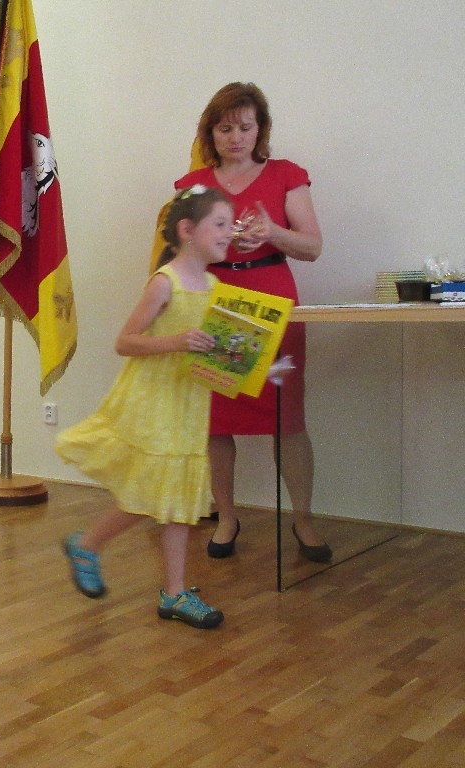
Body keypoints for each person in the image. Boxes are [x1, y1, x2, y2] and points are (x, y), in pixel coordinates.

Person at [58, 186, 234, 629]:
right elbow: (126, 342)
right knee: (152, 491)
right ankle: (88, 544)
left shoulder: (215, 287)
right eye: (220, 224)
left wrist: (250, 366)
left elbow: (212, 348)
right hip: (154, 400)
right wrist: (176, 341)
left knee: (175, 495)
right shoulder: (165, 282)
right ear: (187, 230)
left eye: (230, 225)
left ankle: (172, 592)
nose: (229, 233)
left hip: (189, 402)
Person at [175, 82, 332, 564]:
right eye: (225, 128)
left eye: (245, 127)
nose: (235, 137)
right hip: (218, 305)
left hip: (273, 304)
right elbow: (181, 255)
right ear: (210, 132)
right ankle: (226, 517)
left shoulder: (286, 175)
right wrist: (218, 244)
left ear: (260, 129)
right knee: (217, 423)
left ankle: (303, 519)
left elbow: (312, 246)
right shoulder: (194, 185)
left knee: (288, 417)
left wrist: (272, 232)